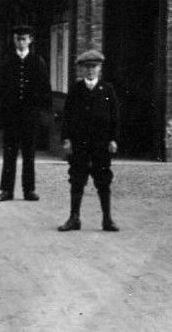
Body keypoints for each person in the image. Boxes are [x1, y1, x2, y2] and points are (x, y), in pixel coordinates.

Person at [58, 49, 121, 233]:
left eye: (94, 67)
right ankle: (74, 218)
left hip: (101, 144)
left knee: (103, 180)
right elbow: (67, 116)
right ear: (82, 70)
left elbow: (115, 116)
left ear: (100, 68)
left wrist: (114, 139)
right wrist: (67, 139)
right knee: (77, 179)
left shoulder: (107, 90)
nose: (90, 71)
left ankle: (107, 219)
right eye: (87, 67)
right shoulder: (76, 90)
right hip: (80, 144)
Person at [0, 24, 51, 202]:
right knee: (9, 153)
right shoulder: (6, 62)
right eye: (18, 38)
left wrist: (41, 112)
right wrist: (2, 112)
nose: (21, 42)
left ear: (30, 40)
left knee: (29, 154)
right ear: (14, 40)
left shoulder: (38, 62)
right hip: (11, 116)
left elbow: (45, 88)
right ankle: (7, 190)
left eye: (24, 39)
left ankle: (29, 190)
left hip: (30, 116)